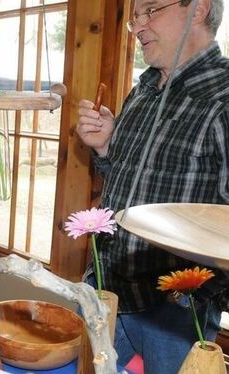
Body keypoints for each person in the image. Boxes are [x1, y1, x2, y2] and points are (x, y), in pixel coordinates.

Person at [76, 0, 229, 372]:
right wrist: (107, 147)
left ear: (197, 9)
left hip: (173, 313)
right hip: (105, 286)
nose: (139, 26)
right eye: (135, 18)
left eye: (150, 10)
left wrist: (191, 295)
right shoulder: (144, 89)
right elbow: (131, 183)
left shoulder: (223, 98)